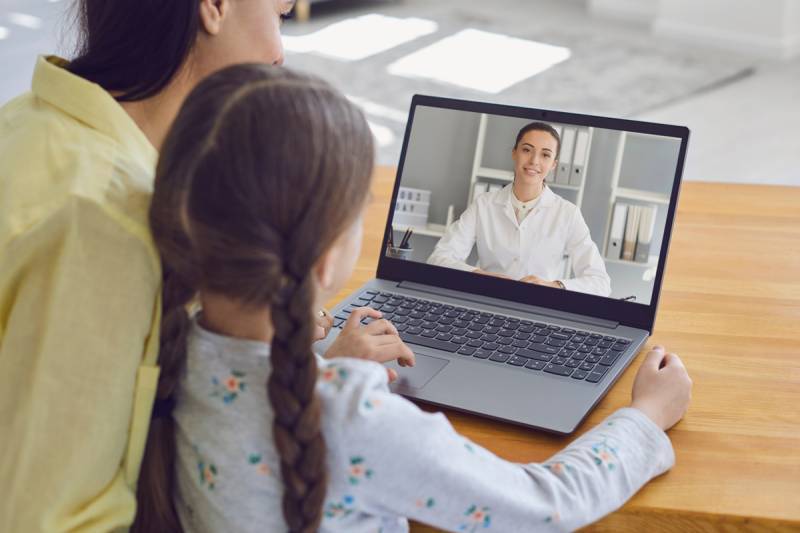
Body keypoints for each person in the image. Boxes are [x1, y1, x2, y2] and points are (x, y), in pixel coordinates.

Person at [137, 63, 693, 532]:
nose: (535, 160)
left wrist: (329, 366)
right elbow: (546, 506)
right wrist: (645, 417)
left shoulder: (166, 348)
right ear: (328, 258)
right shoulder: (356, 420)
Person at [0, 1, 410, 531]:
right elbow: (51, 519)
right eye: (279, 16)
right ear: (213, 7)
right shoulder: (104, 228)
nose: (280, 53)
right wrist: (325, 387)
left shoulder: (29, 120)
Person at [427, 122, 612, 297]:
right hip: (487, 298)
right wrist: (481, 275)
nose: (534, 161)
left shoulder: (568, 213)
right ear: (514, 153)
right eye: (526, 150)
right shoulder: (484, 204)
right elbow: (439, 259)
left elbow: (600, 283)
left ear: (554, 164)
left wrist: (553, 286)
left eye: (545, 155)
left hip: (539, 306)